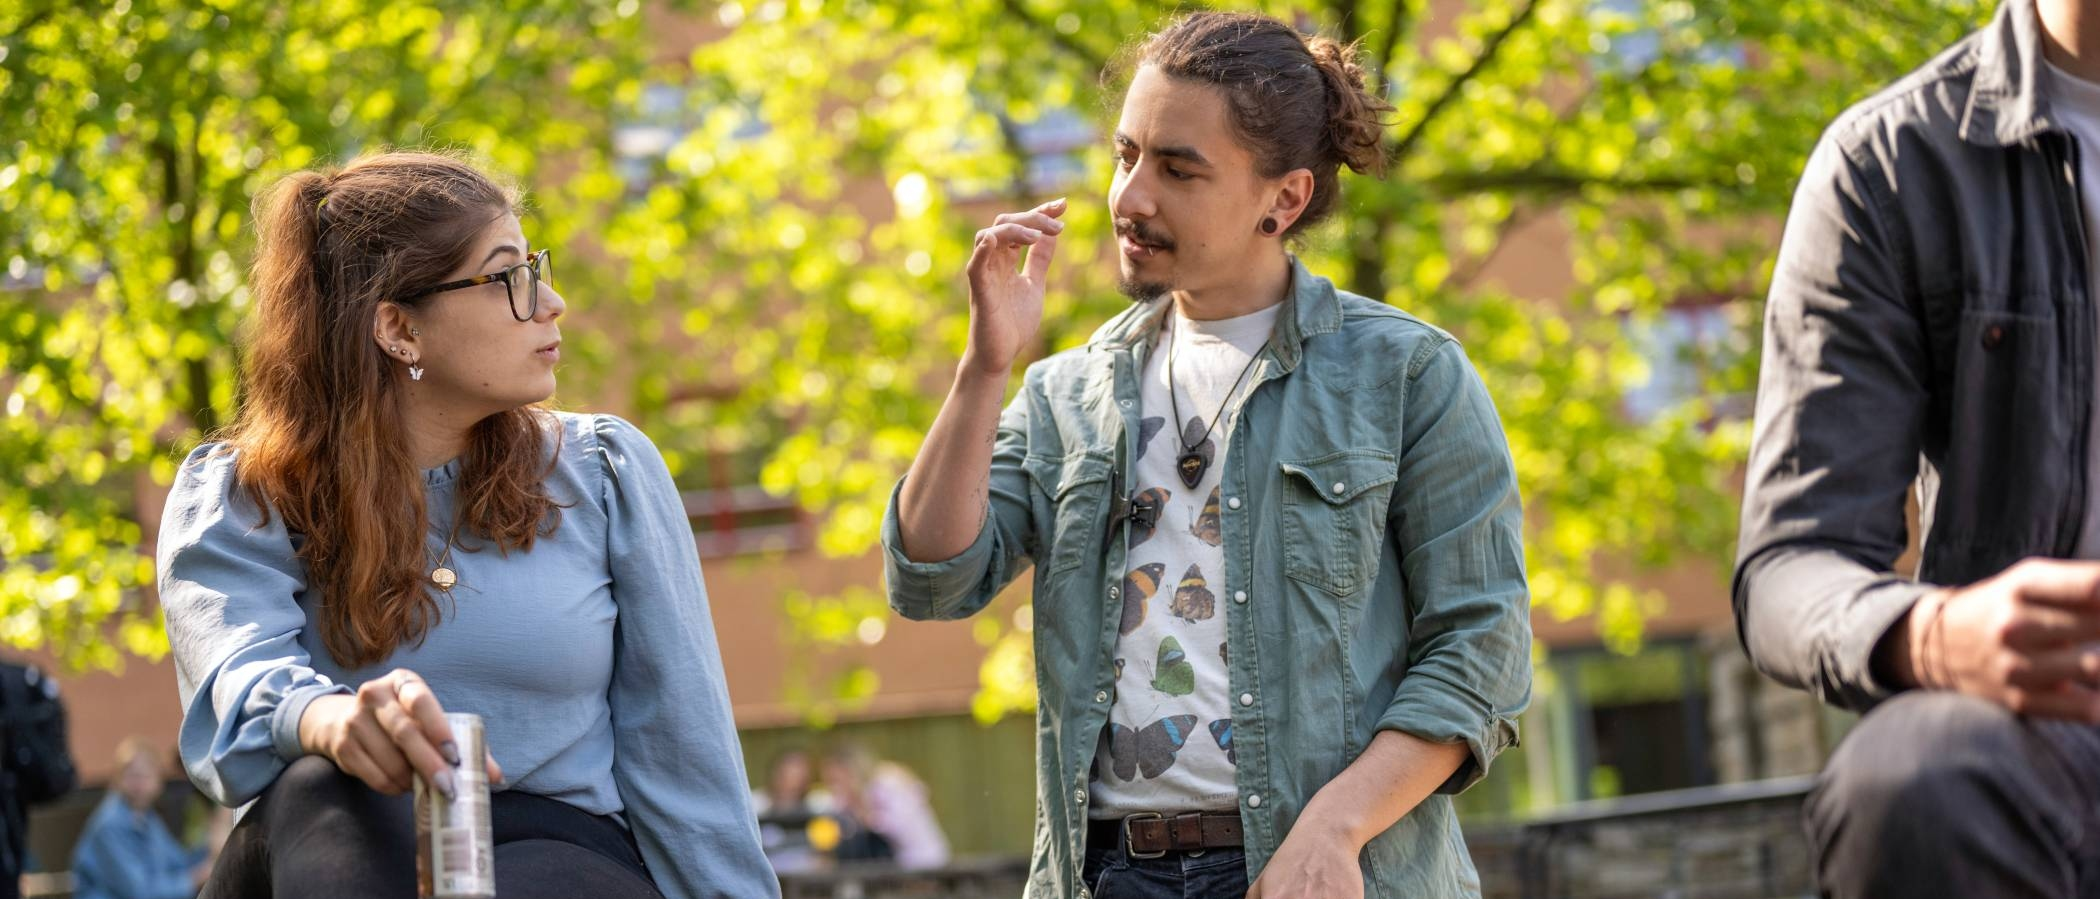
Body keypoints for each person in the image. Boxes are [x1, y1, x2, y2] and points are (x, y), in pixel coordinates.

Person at [882, 12, 1532, 898]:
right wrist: (985, 363)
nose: (1130, 198)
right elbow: (933, 574)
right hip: (1107, 874)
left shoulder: (1408, 375)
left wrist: (1333, 829)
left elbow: (1480, 650)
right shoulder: (1066, 393)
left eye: (1178, 169)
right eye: (1125, 155)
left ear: (1285, 199)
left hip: (1322, 871)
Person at [156, 151, 776, 899]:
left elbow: (685, 757)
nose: (552, 303)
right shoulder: (243, 492)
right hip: (328, 847)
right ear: (397, 327)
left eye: (535, 266)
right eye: (508, 276)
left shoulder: (604, 471)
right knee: (321, 787)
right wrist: (327, 720)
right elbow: (234, 679)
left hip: (557, 850)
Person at [1735, 0, 2100, 895]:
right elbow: (1791, 561)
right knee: (1914, 778)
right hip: (2053, 738)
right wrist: (1937, 636)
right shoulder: (1890, 165)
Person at [70, 738, 208, 899]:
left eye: (146, 776)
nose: (139, 784)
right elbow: (140, 892)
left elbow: (179, 863)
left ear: (159, 781)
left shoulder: (147, 818)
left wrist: (214, 852)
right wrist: (195, 878)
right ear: (117, 779)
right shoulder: (109, 823)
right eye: (132, 775)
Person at [818, 745, 948, 870]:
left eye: (835, 780)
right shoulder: (855, 797)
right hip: (895, 867)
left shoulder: (887, 783)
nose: (834, 787)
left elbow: (900, 828)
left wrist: (866, 814)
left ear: (850, 771)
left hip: (922, 861)